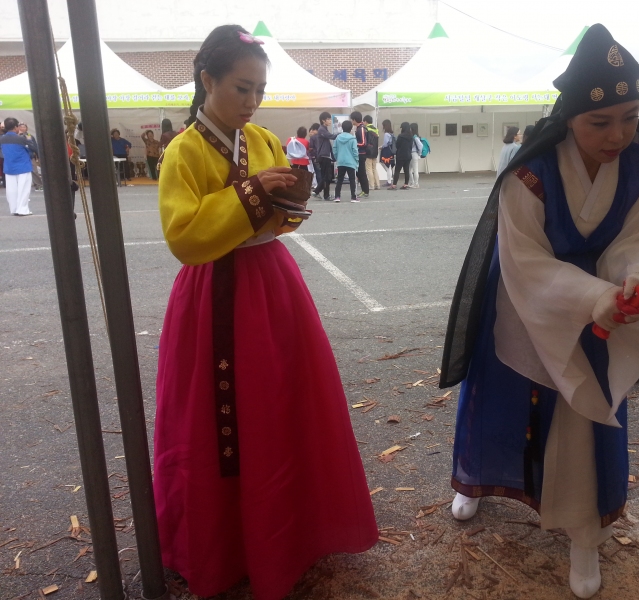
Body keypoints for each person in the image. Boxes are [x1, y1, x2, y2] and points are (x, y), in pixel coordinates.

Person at [439, 24, 639, 599]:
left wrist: (633, 278)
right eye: (600, 122)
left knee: (585, 420)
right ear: (569, 117)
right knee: (500, 399)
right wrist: (592, 296)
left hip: (605, 305)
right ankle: (476, 480)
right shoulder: (532, 170)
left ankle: (584, 535)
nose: (617, 135)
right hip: (530, 298)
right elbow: (524, 259)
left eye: (629, 117)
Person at [154, 24, 378, 600]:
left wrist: (288, 200)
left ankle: (287, 534)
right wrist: (253, 192)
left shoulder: (261, 139)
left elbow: (279, 222)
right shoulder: (183, 151)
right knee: (220, 417)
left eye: (259, 90)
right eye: (241, 88)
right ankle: (223, 545)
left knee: (280, 404)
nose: (251, 102)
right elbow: (184, 235)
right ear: (207, 80)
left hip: (272, 284)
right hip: (214, 291)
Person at [1, 117, 36, 216]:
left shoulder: (2, 139)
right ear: (16, 127)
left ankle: (14, 208)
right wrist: (29, 140)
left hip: (9, 167)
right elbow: (34, 148)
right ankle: (22, 209)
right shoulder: (22, 139)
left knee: (11, 190)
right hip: (23, 166)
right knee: (23, 189)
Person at [310, 111, 336, 200]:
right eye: (328, 119)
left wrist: (333, 156)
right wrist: (343, 133)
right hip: (323, 156)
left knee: (327, 177)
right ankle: (325, 195)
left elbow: (329, 143)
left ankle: (317, 192)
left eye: (330, 119)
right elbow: (332, 136)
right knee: (326, 177)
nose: (330, 121)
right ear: (323, 120)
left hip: (326, 156)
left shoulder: (324, 129)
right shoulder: (321, 129)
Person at [332, 119, 359, 202]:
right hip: (351, 162)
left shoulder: (338, 138)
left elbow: (334, 149)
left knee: (339, 180)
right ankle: (353, 197)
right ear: (351, 129)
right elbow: (355, 151)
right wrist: (357, 160)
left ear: (342, 128)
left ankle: (337, 196)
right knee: (352, 180)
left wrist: (337, 158)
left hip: (340, 161)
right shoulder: (352, 139)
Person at [349, 110, 370, 199]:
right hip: (359, 153)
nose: (351, 121)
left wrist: (354, 144)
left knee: (361, 173)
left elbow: (363, 143)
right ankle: (364, 190)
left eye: (351, 119)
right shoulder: (358, 128)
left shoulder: (361, 128)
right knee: (359, 173)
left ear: (354, 119)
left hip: (361, 153)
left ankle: (365, 191)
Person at [18, 123, 41, 190]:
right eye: (21, 127)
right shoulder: (16, 136)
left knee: (34, 171)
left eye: (24, 127)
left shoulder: (29, 136)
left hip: (30, 155)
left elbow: (34, 146)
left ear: (26, 128)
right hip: (20, 156)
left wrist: (38, 155)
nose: (22, 128)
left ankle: (39, 184)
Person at [390, 122, 413, 190]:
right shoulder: (411, 136)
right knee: (406, 170)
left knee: (397, 170)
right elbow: (411, 146)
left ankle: (394, 185)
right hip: (408, 155)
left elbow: (397, 145)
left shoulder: (400, 136)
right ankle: (406, 184)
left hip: (400, 155)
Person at [363, 115, 381, 191]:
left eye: (363, 121)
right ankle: (377, 185)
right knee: (374, 168)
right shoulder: (376, 129)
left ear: (366, 121)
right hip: (375, 151)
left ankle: (371, 185)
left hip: (368, 151)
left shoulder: (366, 129)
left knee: (369, 169)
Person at [380, 119, 395, 185]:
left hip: (386, 151)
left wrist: (381, 147)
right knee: (390, 166)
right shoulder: (392, 134)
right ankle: (389, 180)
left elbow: (385, 144)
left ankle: (389, 181)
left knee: (387, 166)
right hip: (391, 151)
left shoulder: (386, 134)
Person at [409, 122, 423, 189]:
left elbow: (420, 146)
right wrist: (419, 154)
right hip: (414, 154)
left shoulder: (415, 137)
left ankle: (415, 183)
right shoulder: (415, 137)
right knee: (411, 169)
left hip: (413, 153)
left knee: (414, 170)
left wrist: (419, 153)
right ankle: (413, 183)